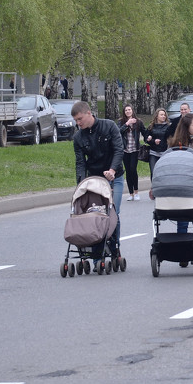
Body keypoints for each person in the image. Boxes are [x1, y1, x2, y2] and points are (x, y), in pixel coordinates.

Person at [71, 101, 124, 269]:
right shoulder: (79, 137)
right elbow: (80, 162)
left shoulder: (109, 126)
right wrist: (81, 183)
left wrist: (112, 170)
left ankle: (115, 250)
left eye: (80, 119)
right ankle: (96, 255)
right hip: (94, 180)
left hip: (113, 177)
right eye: (76, 121)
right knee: (94, 214)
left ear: (89, 113)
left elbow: (118, 150)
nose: (78, 123)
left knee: (112, 212)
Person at [119, 105, 143, 200]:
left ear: (132, 111)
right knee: (128, 171)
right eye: (126, 110)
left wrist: (149, 138)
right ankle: (131, 193)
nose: (128, 111)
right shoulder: (121, 122)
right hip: (125, 149)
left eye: (129, 110)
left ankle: (136, 192)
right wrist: (127, 123)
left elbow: (144, 132)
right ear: (124, 112)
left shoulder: (138, 122)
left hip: (135, 149)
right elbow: (118, 131)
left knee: (133, 169)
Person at [144, 108, 172, 178]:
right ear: (157, 116)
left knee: (163, 173)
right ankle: (153, 187)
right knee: (153, 172)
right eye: (161, 115)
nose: (163, 116)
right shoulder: (151, 126)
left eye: (164, 115)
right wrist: (152, 140)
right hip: (153, 153)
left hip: (164, 153)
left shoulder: (168, 127)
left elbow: (171, 138)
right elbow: (146, 139)